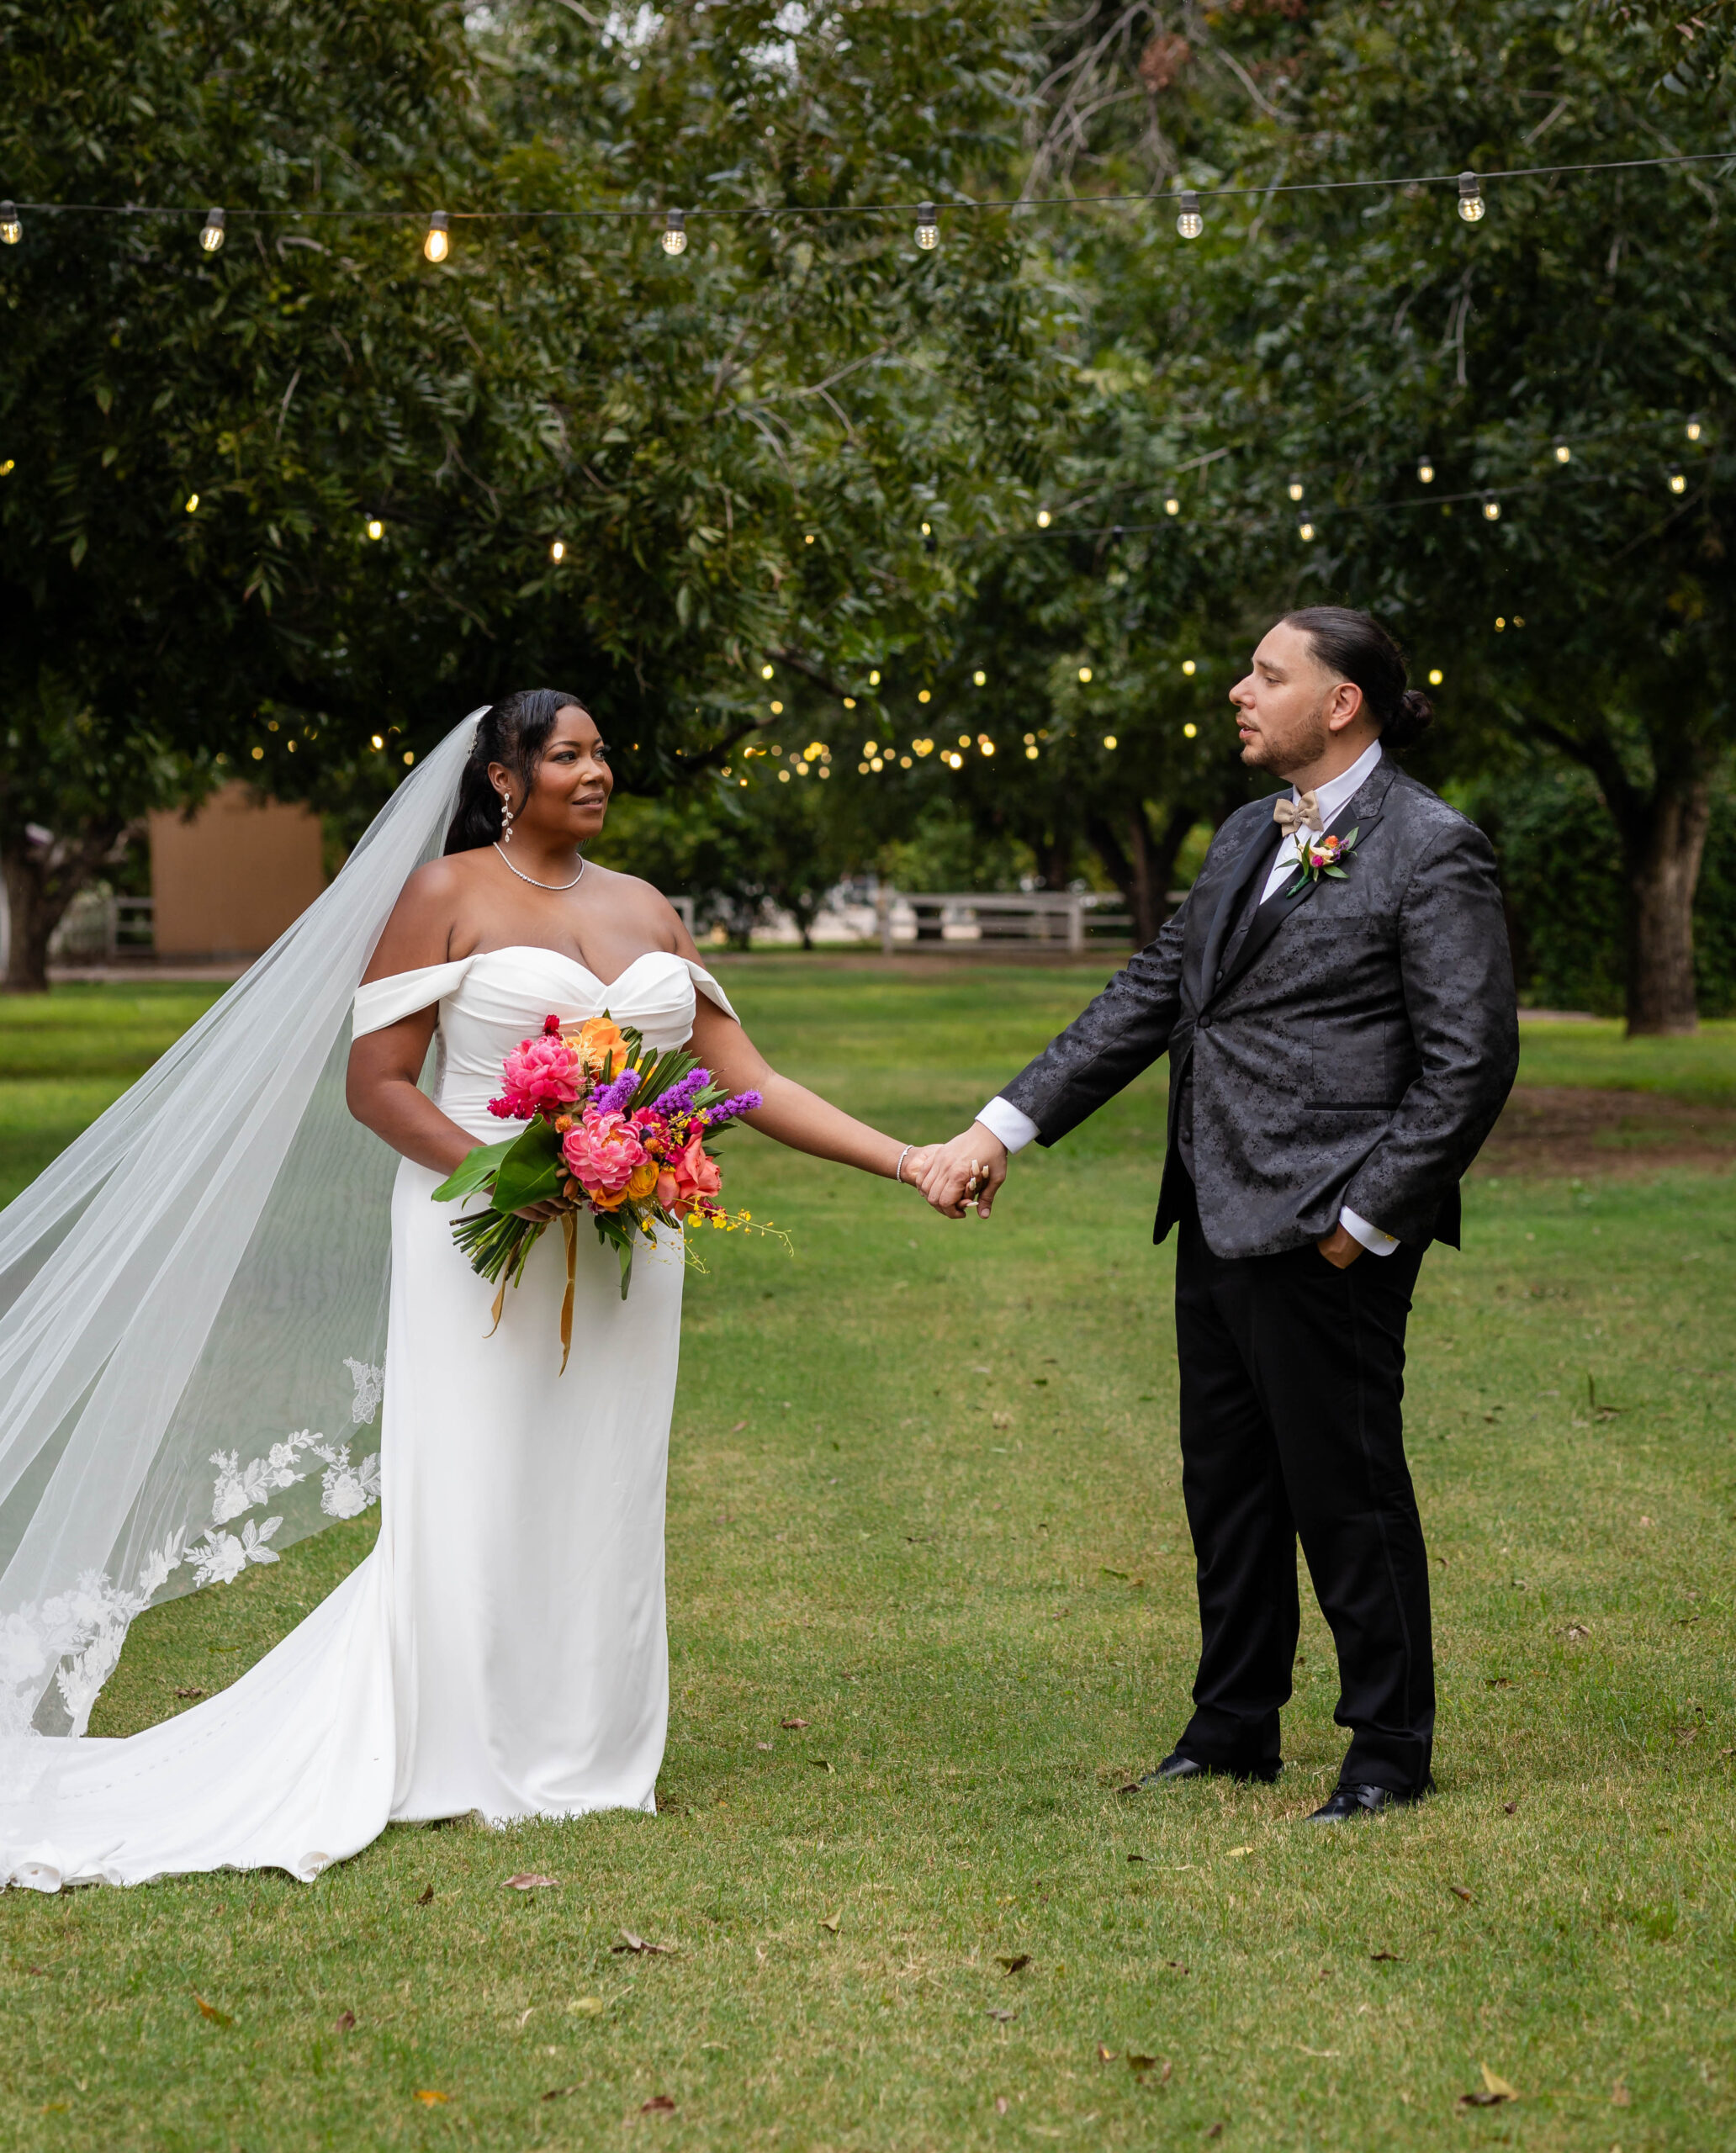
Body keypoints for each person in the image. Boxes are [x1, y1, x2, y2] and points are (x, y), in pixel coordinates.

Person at [0, 694, 933, 1890]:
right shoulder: (443, 896)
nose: (595, 772)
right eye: (566, 755)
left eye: (600, 754)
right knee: (481, 1473)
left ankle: (588, 1747)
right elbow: (378, 1085)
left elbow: (744, 1078)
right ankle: (460, 1744)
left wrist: (906, 1160)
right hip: (473, 1226)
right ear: (503, 776)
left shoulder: (649, 908)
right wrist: (499, 1170)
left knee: (602, 1476)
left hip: (624, 1244)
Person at [918, 610, 1518, 1820]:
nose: (1240, 690)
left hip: (1330, 1224)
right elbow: (1152, 991)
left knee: (1343, 1484)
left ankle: (1390, 1746)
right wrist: (999, 1126)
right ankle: (1234, 1724)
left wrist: (1368, 1220)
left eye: (1268, 673)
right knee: (1228, 1482)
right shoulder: (1248, 831)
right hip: (1214, 1202)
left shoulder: (1433, 847)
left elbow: (1471, 1060)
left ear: (1342, 701)